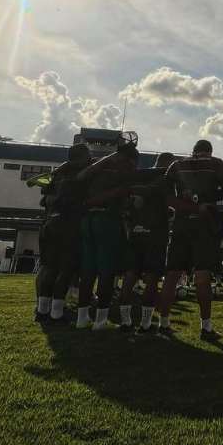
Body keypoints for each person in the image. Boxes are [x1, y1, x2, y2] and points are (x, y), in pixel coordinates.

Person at [157, 139, 223, 341]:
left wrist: (188, 204)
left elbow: (167, 198)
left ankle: (163, 323)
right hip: (203, 225)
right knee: (202, 277)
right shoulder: (216, 164)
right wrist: (206, 200)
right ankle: (206, 327)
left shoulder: (177, 165)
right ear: (209, 151)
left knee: (172, 276)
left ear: (193, 151)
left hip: (182, 224)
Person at [74, 141, 139, 330]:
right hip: (107, 220)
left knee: (87, 270)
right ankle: (101, 320)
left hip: (87, 220)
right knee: (106, 271)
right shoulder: (124, 169)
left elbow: (80, 177)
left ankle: (82, 317)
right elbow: (127, 198)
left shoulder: (97, 167)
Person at [119, 152, 176, 334]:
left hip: (135, 230)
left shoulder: (139, 175)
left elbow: (128, 201)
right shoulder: (167, 179)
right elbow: (169, 204)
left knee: (129, 276)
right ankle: (145, 323)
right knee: (152, 279)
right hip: (156, 233)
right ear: (169, 164)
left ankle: (125, 321)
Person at [34, 143, 90, 324]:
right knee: (65, 269)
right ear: (82, 157)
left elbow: (44, 199)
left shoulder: (56, 174)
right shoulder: (82, 173)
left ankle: (42, 310)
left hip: (49, 223)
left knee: (48, 267)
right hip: (69, 224)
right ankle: (56, 312)